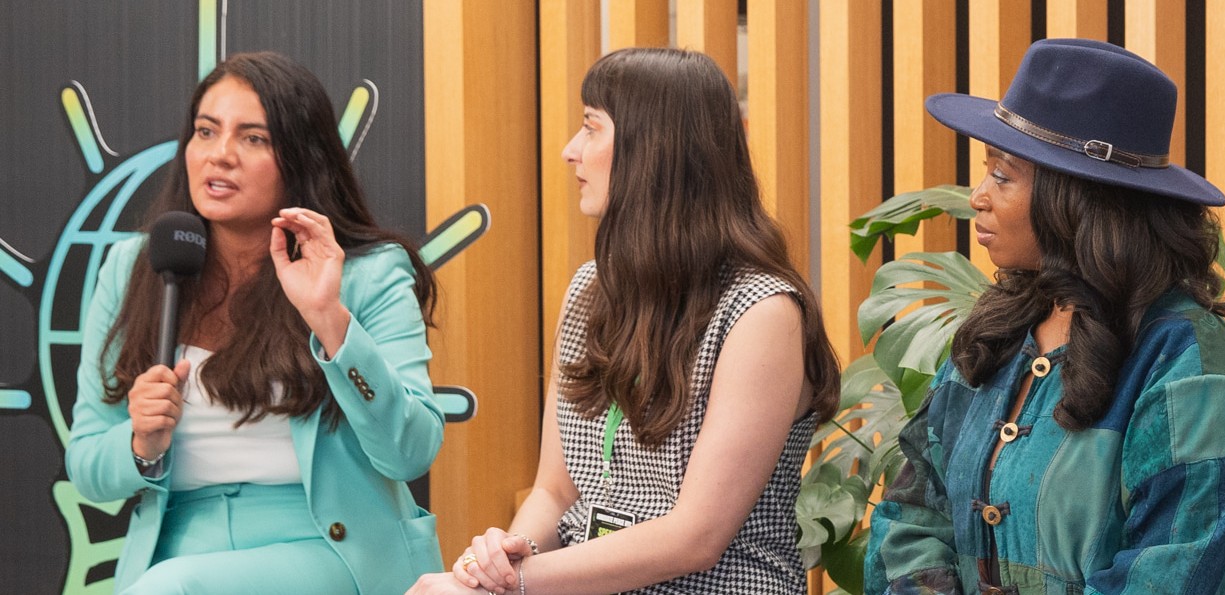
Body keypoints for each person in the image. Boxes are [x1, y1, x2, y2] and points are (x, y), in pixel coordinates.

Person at [406, 47, 841, 595]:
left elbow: (695, 537)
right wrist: (502, 563)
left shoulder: (761, 311)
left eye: (591, 128)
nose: (569, 150)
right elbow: (555, 493)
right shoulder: (591, 288)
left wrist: (517, 582)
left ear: (655, 150)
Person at [863, 38, 1225, 594]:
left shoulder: (1185, 357)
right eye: (986, 171)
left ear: (1078, 197)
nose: (977, 196)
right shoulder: (998, 330)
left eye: (1003, 176)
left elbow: (1172, 570)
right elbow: (911, 515)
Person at [65, 51, 446, 594]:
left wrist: (330, 320)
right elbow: (85, 465)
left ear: (301, 158)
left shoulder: (366, 273)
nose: (220, 155)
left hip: (331, 546)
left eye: (253, 138)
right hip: (178, 545)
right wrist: (140, 442)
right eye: (206, 131)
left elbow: (410, 452)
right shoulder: (135, 268)